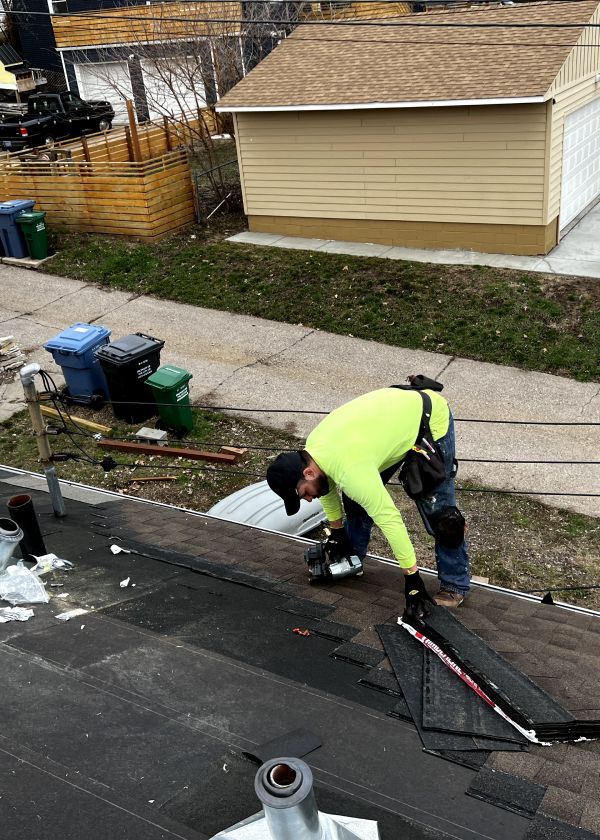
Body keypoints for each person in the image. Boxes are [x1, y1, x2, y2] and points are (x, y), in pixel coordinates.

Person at [266, 384, 470, 617]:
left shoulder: (351, 471)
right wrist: (336, 532)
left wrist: (412, 579)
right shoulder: (314, 452)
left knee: (442, 516)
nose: (310, 499)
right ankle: (352, 560)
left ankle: (455, 584)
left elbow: (389, 518)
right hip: (387, 429)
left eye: (304, 493)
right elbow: (327, 487)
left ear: (308, 473)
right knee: (356, 501)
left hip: (427, 420)